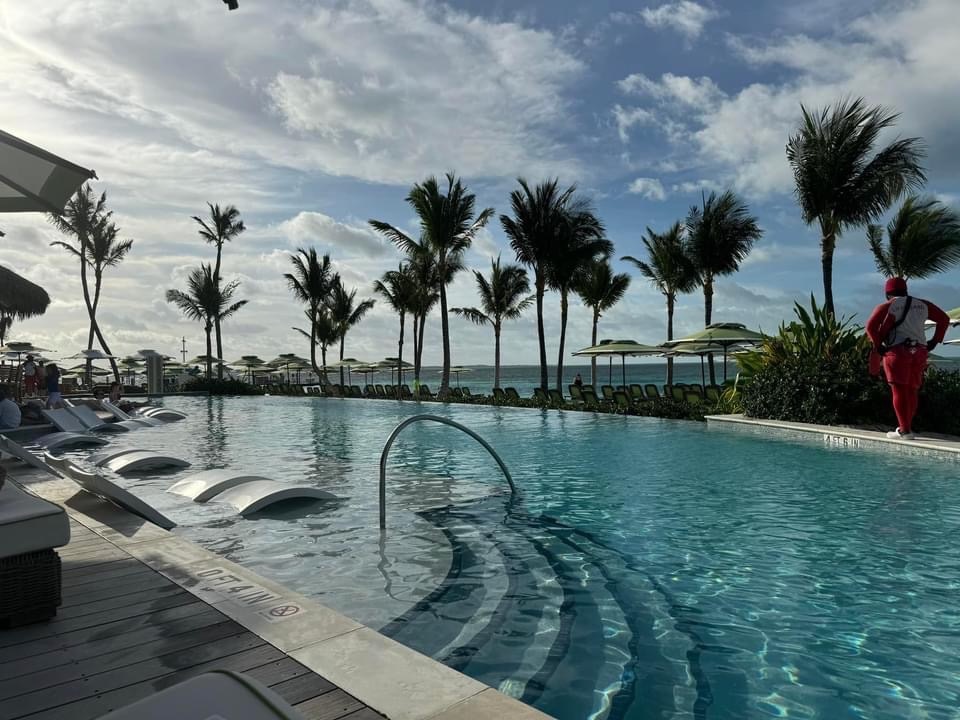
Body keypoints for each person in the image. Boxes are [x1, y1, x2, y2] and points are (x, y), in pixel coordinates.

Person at [866, 277, 950, 440]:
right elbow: (944, 319)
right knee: (912, 390)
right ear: (905, 290)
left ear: (887, 293)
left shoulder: (888, 305)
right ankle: (907, 427)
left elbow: (870, 327)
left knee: (898, 390)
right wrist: (935, 340)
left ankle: (904, 430)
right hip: (919, 351)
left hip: (897, 352)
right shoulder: (922, 304)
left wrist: (878, 345)